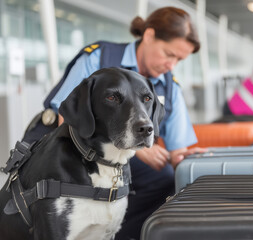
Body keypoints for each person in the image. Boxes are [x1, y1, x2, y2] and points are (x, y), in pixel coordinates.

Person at [22, 7, 205, 240]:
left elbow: (177, 149)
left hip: (117, 156)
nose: (172, 64)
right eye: (169, 53)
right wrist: (136, 149)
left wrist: (189, 160)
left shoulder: (169, 85)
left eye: (179, 59)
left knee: (167, 179)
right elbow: (67, 121)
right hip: (66, 146)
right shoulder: (99, 57)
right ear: (149, 36)